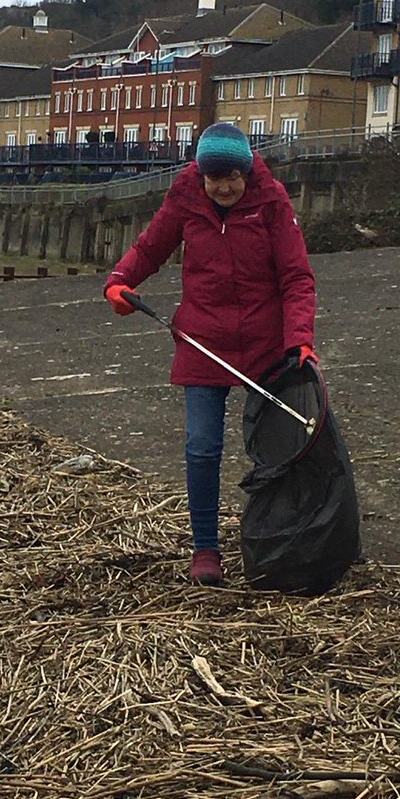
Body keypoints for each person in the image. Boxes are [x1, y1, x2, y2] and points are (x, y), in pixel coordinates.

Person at [103, 123, 316, 586]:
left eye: (231, 177)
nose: (223, 187)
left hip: (266, 345)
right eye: (213, 177)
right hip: (203, 340)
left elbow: (297, 278)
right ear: (199, 174)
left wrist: (299, 339)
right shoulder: (186, 199)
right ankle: (206, 549)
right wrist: (120, 280)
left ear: (247, 172)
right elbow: (150, 248)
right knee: (202, 447)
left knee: (283, 449)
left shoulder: (273, 204)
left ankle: (287, 537)